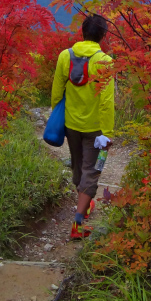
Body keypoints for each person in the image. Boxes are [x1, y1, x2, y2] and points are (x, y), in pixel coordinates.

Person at [51, 14, 114, 239]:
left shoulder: (64, 57)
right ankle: (78, 223)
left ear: (82, 33)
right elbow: (106, 101)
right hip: (95, 128)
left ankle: (85, 205)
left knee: (78, 166)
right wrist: (107, 133)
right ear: (103, 36)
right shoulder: (105, 62)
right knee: (91, 170)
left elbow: (57, 91)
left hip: (71, 124)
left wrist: (56, 117)